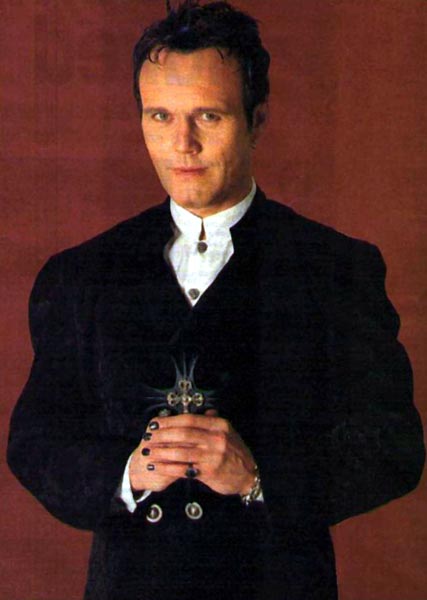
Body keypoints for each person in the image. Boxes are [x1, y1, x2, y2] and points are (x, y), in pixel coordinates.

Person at [7, 2, 425, 599]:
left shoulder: (334, 268)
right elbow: (36, 442)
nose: (183, 144)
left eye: (209, 115)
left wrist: (259, 476)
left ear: (257, 120)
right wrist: (128, 472)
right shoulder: (81, 275)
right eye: (160, 116)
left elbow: (394, 447)